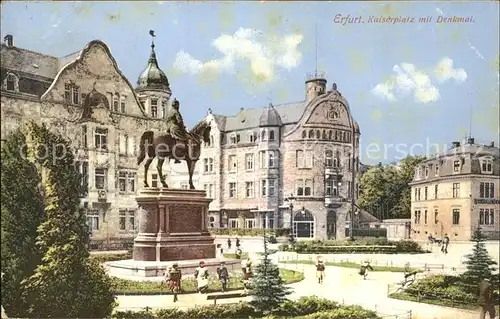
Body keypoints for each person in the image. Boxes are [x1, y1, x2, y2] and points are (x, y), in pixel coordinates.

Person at [165, 98, 189, 163]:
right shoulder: (175, 111)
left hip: (168, 128)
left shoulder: (169, 112)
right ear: (176, 105)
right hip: (175, 128)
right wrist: (183, 127)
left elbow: (166, 120)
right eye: (178, 105)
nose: (178, 106)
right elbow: (180, 121)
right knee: (186, 137)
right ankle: (184, 153)